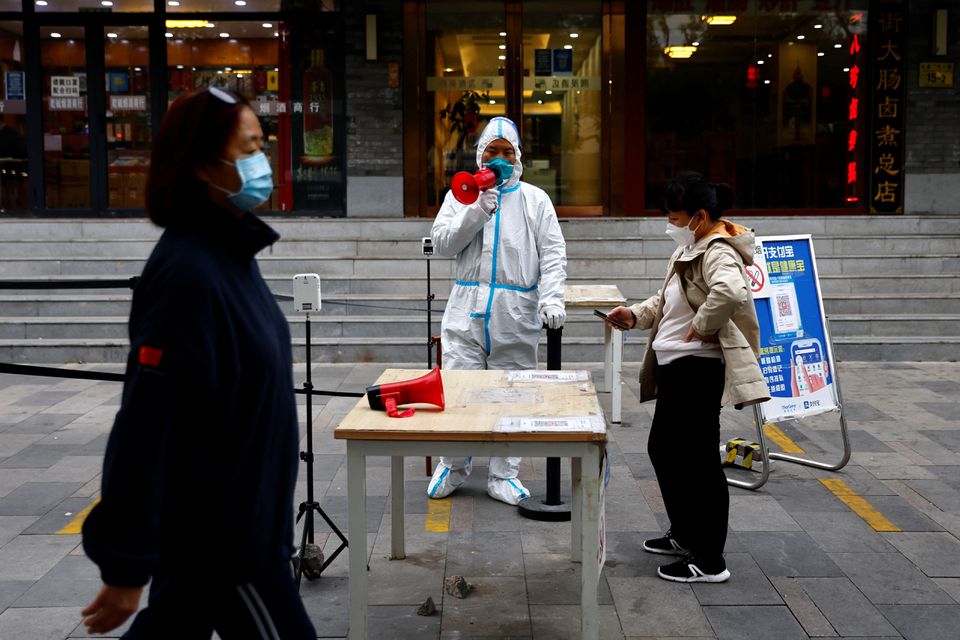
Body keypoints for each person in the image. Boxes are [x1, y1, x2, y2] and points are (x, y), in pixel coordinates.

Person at [80, 86, 316, 638]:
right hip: (233, 545)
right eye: (250, 146)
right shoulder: (188, 274)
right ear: (207, 167)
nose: (263, 160)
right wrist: (124, 563)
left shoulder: (229, 256)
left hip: (231, 529)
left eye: (264, 142)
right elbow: (146, 422)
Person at [602, 171, 769, 583]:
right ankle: (686, 533)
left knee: (697, 463)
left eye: (675, 217)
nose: (670, 224)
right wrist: (635, 315)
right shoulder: (692, 246)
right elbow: (670, 300)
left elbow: (730, 292)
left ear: (698, 215)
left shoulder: (718, 250)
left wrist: (704, 326)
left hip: (698, 369)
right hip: (679, 368)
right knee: (665, 450)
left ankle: (709, 560)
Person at [427, 116, 567, 505]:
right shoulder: (461, 194)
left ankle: (504, 474)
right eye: (493, 152)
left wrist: (552, 298)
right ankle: (453, 465)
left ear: (519, 156)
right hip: (466, 307)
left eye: (507, 152)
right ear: (480, 155)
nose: (500, 159)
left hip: (515, 309)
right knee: (457, 389)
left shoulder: (535, 200)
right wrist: (476, 210)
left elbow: (553, 254)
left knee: (514, 394)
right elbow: (443, 244)